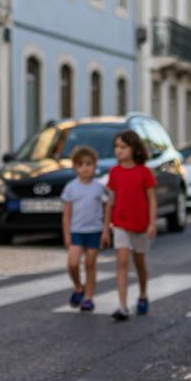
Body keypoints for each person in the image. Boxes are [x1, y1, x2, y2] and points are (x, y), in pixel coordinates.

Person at [104, 130, 157, 321]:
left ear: (134, 149)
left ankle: (143, 294)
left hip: (141, 224)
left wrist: (152, 223)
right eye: (116, 147)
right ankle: (122, 305)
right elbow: (111, 200)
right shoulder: (114, 172)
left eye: (123, 147)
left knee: (139, 261)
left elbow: (151, 199)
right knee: (122, 261)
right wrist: (106, 227)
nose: (118, 151)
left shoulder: (144, 172)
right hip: (120, 223)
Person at [62, 145, 111, 311]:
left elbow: (107, 207)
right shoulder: (70, 188)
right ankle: (78, 287)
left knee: (91, 263)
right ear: (75, 167)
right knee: (73, 263)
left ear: (95, 166)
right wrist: (67, 234)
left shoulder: (98, 187)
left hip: (94, 231)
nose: (85, 168)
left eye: (89, 164)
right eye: (81, 164)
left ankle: (88, 297)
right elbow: (66, 214)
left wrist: (105, 230)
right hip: (76, 231)